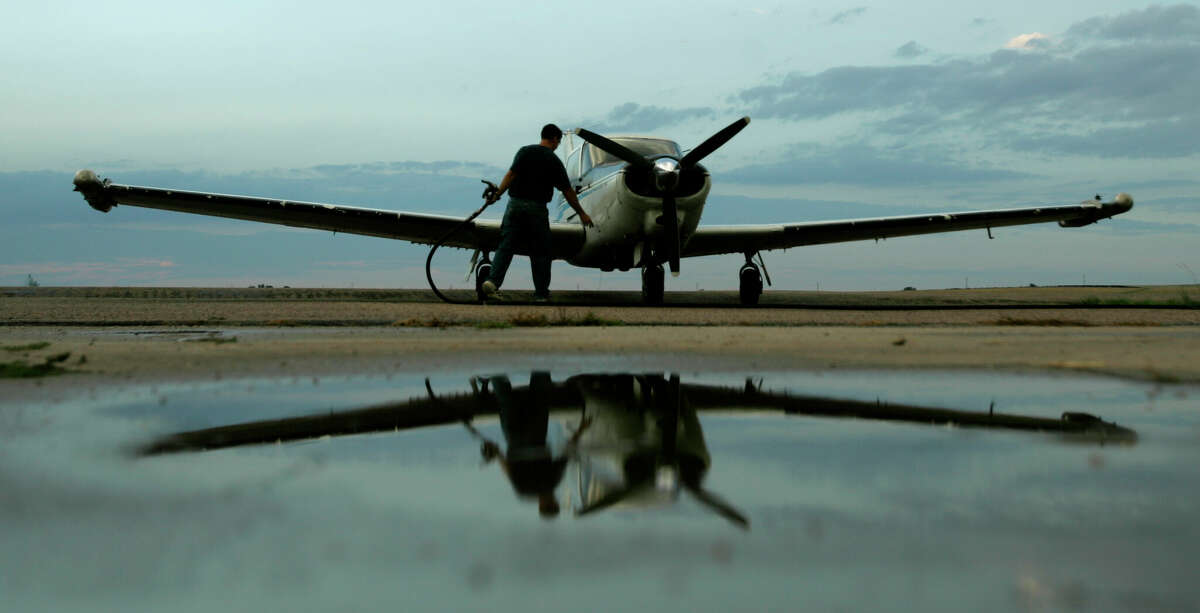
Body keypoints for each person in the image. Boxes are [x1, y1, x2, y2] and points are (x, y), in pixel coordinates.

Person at [481, 124, 593, 302]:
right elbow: (567, 191)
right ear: (555, 139)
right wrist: (581, 213)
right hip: (537, 208)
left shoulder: (524, 152)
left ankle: (492, 283)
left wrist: (496, 195)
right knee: (540, 252)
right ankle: (541, 294)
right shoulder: (553, 161)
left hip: (514, 205)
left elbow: (510, 175)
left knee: (506, 245)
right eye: (558, 141)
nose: (557, 145)